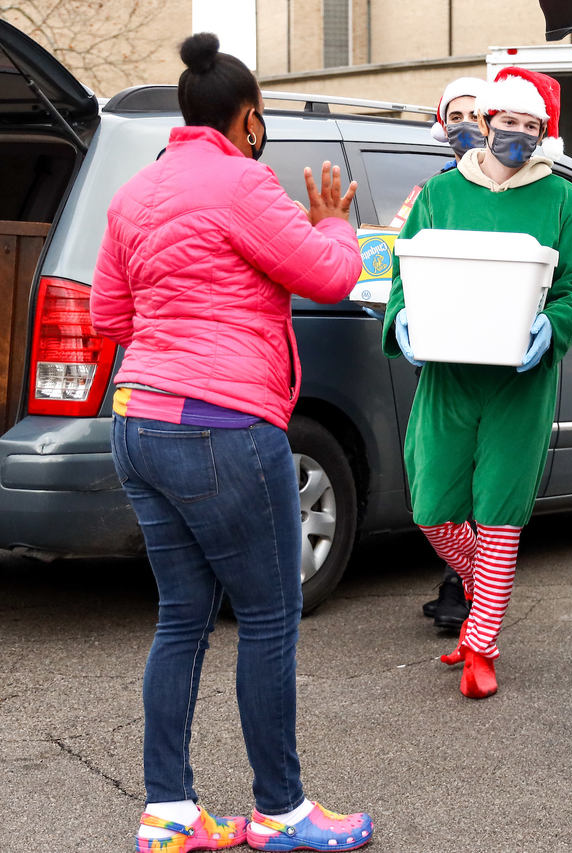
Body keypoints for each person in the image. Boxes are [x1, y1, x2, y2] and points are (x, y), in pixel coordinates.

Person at [91, 33, 373, 853]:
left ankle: (169, 812)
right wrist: (333, 224)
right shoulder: (244, 182)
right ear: (248, 119)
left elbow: (112, 317)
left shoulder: (134, 195)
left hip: (138, 418)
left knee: (181, 618)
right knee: (268, 616)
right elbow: (327, 274)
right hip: (222, 424)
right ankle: (282, 812)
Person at [382, 66, 572, 699]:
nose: (519, 136)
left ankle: (480, 646)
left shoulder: (561, 199)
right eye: (510, 123)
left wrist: (553, 327)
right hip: (448, 371)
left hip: (518, 380)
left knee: (501, 514)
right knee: (432, 507)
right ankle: (487, 603)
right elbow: (404, 275)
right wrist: (400, 322)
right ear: (485, 123)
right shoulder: (440, 193)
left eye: (532, 128)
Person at [416, 75, 489, 629]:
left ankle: (467, 589)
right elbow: (393, 258)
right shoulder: (431, 193)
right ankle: (462, 576)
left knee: (487, 480)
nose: (466, 125)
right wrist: (402, 322)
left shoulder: (520, 185)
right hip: (446, 355)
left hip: (502, 359)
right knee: (441, 481)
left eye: (475, 114)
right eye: (454, 116)